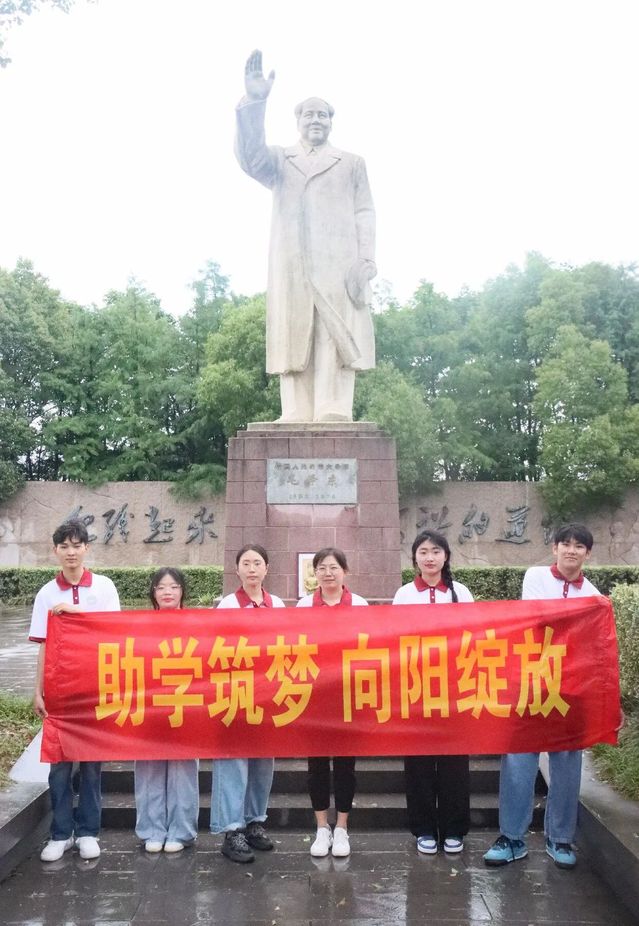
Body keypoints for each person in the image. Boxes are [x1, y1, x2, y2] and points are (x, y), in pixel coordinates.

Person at [235, 49, 377, 423]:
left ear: (331, 122)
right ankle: (295, 409)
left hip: (339, 262)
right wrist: (254, 102)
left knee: (334, 334)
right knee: (294, 331)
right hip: (292, 261)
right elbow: (250, 159)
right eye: (309, 114)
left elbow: (365, 210)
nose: (316, 120)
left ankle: (334, 407)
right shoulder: (281, 159)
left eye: (322, 115)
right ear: (297, 121)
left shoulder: (352, 163)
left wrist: (366, 258)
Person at [483, 523, 600, 870]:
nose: (571, 550)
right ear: (554, 548)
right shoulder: (535, 577)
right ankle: (512, 838)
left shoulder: (593, 594)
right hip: (531, 684)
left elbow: (594, 645)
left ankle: (560, 838)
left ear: (587, 554)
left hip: (571, 690)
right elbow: (540, 620)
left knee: (567, 764)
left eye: (579, 546)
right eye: (566, 544)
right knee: (518, 761)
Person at [29, 519, 121, 862]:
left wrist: (74, 611)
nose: (71, 552)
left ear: (87, 548)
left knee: (92, 764)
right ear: (55, 551)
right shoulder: (46, 593)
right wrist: (37, 690)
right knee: (59, 766)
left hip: (94, 687)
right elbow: (43, 644)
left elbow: (114, 632)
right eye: (64, 546)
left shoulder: (104, 587)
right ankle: (60, 834)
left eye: (77, 545)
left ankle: (88, 832)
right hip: (60, 690)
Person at [393, 530, 474, 855]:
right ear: (415, 557)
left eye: (436, 551)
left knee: (455, 762)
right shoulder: (403, 595)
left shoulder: (461, 592)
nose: (430, 557)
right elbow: (393, 639)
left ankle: (454, 829)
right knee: (419, 762)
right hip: (416, 689)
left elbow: (474, 636)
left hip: (454, 689)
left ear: (446, 556)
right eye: (423, 551)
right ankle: (424, 829)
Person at [211, 544, 285, 863]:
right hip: (234, 693)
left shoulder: (277, 604)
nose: (252, 568)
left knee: (262, 761)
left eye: (257, 563)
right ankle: (232, 831)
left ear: (267, 568)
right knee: (234, 761)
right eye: (246, 563)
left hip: (268, 694)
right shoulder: (227, 605)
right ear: (237, 569)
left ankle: (255, 822)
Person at [297, 547, 368, 857]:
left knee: (345, 765)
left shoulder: (360, 605)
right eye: (322, 568)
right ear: (315, 573)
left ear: (345, 571)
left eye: (333, 567)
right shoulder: (303, 606)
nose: (327, 573)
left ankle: (342, 828)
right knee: (316, 766)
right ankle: (321, 827)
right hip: (313, 696)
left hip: (348, 695)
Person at [134, 568, 199, 853]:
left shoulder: (198, 623)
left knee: (183, 770)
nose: (167, 592)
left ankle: (181, 831)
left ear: (183, 591)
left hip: (185, 704)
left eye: (173, 586)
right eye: (161, 587)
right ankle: (152, 830)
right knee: (149, 768)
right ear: (153, 593)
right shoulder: (140, 624)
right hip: (150, 706)